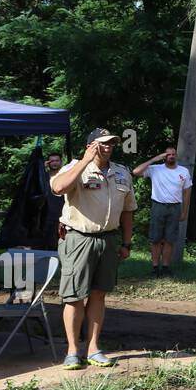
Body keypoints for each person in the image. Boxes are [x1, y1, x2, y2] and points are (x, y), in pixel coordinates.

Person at [48, 128, 137, 369]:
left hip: (108, 239)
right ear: (90, 145)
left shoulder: (121, 173)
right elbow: (58, 188)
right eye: (102, 144)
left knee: (99, 294)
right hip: (78, 238)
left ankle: (94, 348)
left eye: (112, 144)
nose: (108, 147)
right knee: (75, 296)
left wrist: (126, 242)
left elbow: (128, 209)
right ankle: (72, 351)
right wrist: (85, 160)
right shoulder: (75, 167)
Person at [133, 145, 193, 277]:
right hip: (158, 206)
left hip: (175, 207)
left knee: (170, 239)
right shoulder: (155, 169)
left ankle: (165, 267)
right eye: (168, 154)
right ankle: (155, 267)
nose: (171, 156)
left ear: (176, 156)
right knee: (155, 238)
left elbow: (187, 193)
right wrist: (154, 159)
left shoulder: (184, 171)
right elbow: (136, 172)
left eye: (173, 154)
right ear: (164, 156)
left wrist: (184, 211)